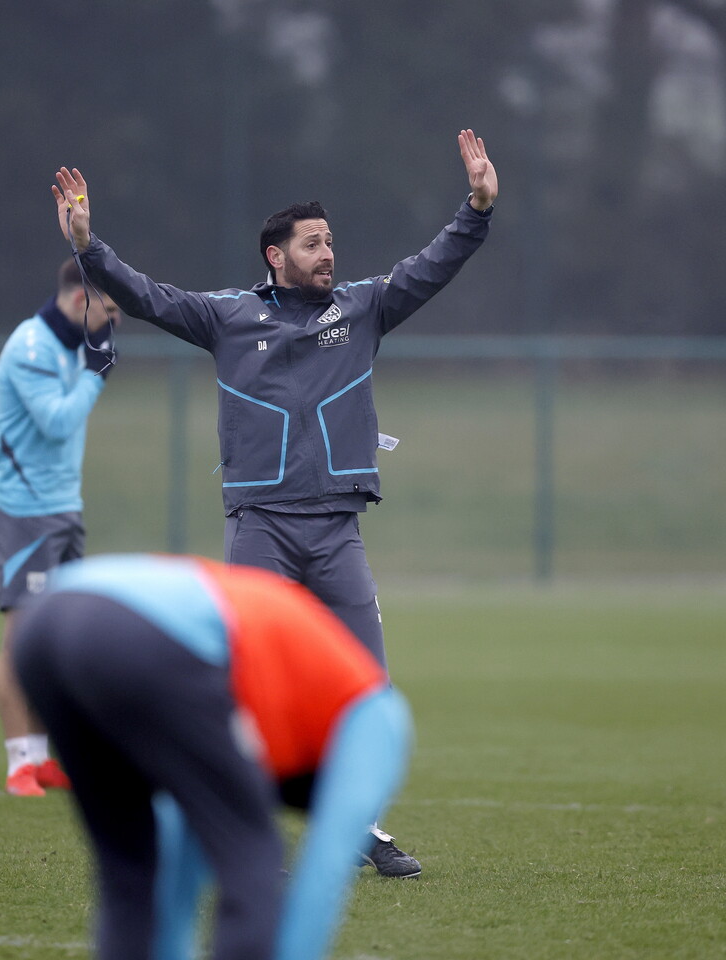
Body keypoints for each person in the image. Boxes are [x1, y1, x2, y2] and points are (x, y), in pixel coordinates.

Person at [50, 128, 497, 876]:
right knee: (237, 687)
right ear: (276, 255)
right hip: (261, 528)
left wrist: (477, 208)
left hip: (337, 533)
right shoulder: (228, 318)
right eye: (314, 244)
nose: (329, 254)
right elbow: (149, 298)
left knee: (365, 687)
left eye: (330, 242)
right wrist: (90, 249)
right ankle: (205, 817)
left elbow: (433, 267)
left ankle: (360, 828)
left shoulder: (363, 309)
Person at [10, 552, 412, 960]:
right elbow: (323, 873)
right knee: (253, 850)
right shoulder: (374, 718)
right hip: (138, 630)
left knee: (131, 870)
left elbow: (181, 845)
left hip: (43, 626)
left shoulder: (284, 718)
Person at [0, 257, 119, 797]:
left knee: (55, 639)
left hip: (65, 506)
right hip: (25, 510)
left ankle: (41, 759)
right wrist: (98, 374)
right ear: (75, 301)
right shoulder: (33, 347)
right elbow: (57, 420)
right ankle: (19, 762)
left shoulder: (70, 341)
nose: (112, 321)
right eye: (107, 309)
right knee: (21, 639)